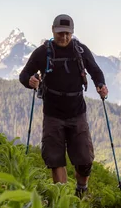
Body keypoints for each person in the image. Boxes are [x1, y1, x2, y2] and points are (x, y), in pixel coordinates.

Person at [19, 14, 108, 196]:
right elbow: (24, 75)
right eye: (60, 33)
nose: (64, 37)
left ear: (72, 33)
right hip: (53, 114)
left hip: (77, 113)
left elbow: (96, 71)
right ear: (53, 31)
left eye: (67, 33)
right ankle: (64, 200)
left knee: (84, 160)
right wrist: (31, 81)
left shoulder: (81, 51)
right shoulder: (42, 52)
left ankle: (81, 190)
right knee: (55, 159)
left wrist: (101, 85)